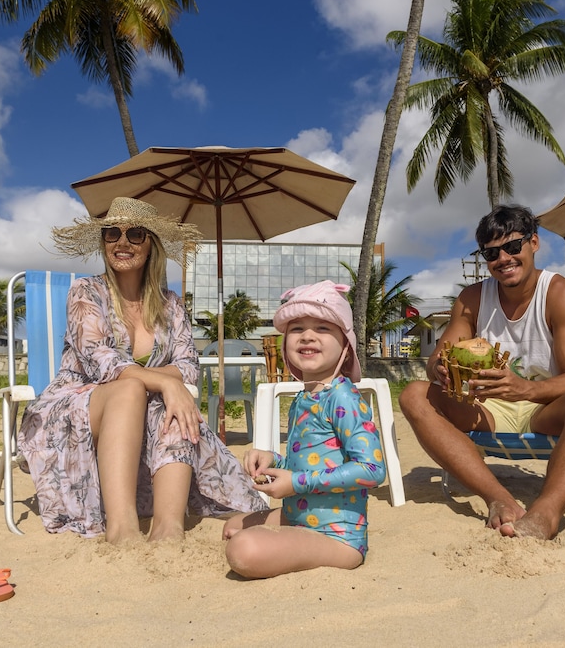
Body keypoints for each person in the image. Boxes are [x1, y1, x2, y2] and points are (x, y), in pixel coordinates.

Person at [19, 197, 267, 544]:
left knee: (169, 406)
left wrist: (169, 387)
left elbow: (188, 365)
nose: (122, 242)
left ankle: (168, 528)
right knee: (133, 389)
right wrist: (167, 383)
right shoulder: (86, 292)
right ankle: (122, 529)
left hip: (147, 410)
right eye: (112, 233)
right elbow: (99, 360)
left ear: (152, 244)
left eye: (135, 234)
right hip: (75, 408)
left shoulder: (171, 305)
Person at [399, 205, 565, 540]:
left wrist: (525, 389)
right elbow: (437, 358)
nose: (503, 259)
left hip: (546, 408)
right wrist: (440, 368)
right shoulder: (472, 299)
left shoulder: (561, 295)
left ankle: (546, 514)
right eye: (492, 253)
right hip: (486, 409)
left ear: (534, 243)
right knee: (414, 394)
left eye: (512, 246)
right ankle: (498, 498)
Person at [222, 281, 386, 578]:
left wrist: (297, 483)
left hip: (336, 536)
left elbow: (372, 469)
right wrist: (274, 460)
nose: (307, 335)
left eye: (322, 328)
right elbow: (309, 462)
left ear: (346, 346)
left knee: (243, 549)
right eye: (296, 329)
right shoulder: (304, 397)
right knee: (232, 526)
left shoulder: (343, 397)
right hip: (296, 516)